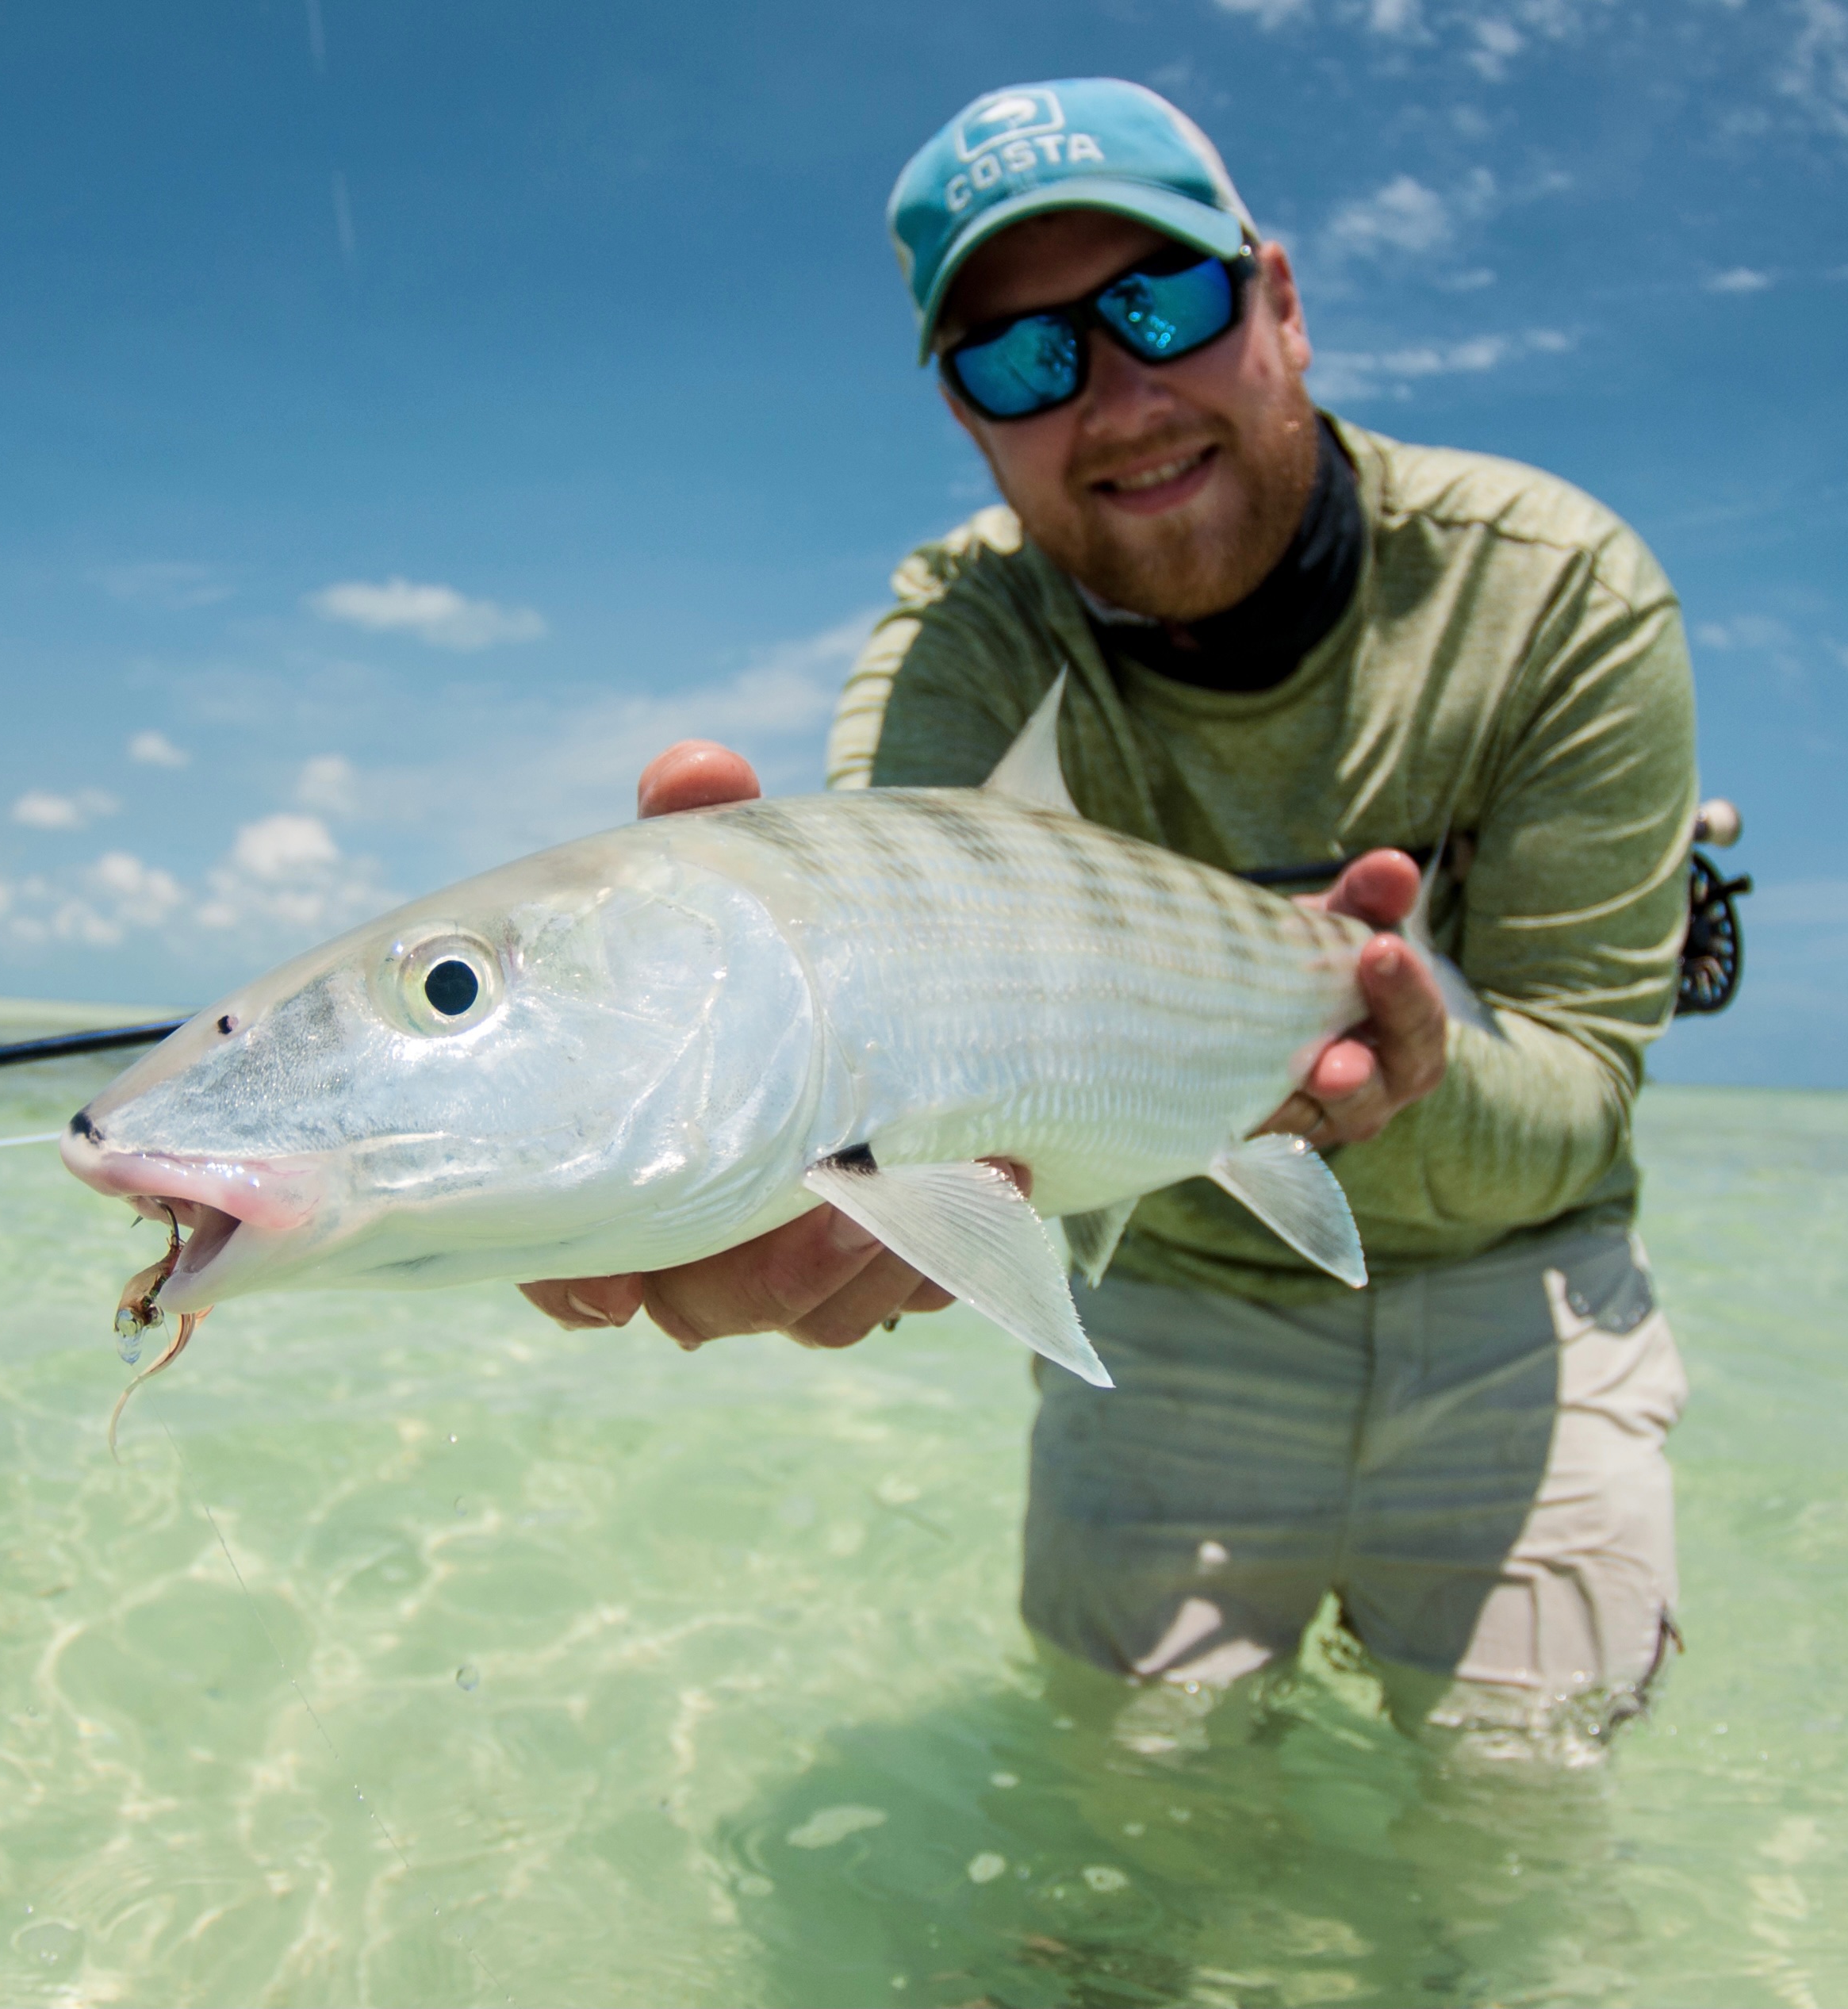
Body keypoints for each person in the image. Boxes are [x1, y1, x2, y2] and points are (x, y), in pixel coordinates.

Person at [523, 79, 1695, 1758]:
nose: (1117, 397)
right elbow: (867, 939)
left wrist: (1402, 1064)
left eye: (1162, 304)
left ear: (1279, 300)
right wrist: (757, 1131)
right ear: (967, 417)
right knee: (1128, 1832)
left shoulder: (1554, 588)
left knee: (1521, 1813)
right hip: (1166, 1297)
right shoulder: (969, 633)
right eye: (1021, 360)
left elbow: (1581, 1099)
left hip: (1523, 1302)